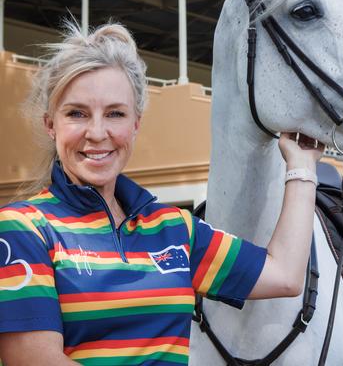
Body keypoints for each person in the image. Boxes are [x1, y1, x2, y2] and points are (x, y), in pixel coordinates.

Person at [0, 23, 323, 365]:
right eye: (77, 113)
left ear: (136, 124)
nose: (97, 133)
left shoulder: (174, 228)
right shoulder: (24, 227)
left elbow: (285, 276)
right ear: (51, 125)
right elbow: (32, 359)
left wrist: (302, 166)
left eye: (115, 114)